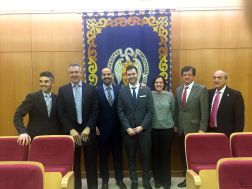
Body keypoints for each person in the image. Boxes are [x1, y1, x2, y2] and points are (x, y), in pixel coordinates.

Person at [57, 64, 99, 189]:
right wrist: (71, 130)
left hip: (88, 132)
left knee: (91, 163)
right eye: (71, 72)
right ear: (68, 74)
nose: (74, 74)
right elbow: (61, 112)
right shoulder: (62, 90)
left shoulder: (91, 89)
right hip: (72, 134)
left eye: (76, 72)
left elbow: (95, 110)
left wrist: (88, 127)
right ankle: (76, 186)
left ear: (81, 73)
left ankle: (92, 186)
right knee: (74, 165)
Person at [117, 65, 154, 189]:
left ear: (138, 74)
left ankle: (146, 181)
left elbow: (150, 111)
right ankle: (134, 181)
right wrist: (127, 127)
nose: (131, 76)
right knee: (131, 158)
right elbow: (120, 111)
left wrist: (142, 127)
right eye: (129, 74)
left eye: (133, 74)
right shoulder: (122, 91)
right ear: (126, 76)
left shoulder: (146, 90)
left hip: (144, 132)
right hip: (128, 132)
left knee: (145, 157)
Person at [174, 66, 208, 188]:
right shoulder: (178, 90)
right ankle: (186, 178)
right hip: (181, 130)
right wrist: (176, 125)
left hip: (195, 130)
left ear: (194, 76)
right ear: (182, 76)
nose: (187, 77)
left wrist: (202, 129)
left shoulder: (201, 89)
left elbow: (204, 111)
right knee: (184, 156)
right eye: (184, 75)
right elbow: (177, 109)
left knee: (194, 156)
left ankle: (197, 178)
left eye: (189, 74)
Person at [96, 67, 127, 189]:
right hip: (102, 130)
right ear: (101, 76)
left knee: (118, 156)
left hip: (117, 130)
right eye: (104, 74)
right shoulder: (96, 91)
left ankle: (119, 180)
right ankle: (105, 181)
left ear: (112, 75)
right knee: (103, 157)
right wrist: (95, 126)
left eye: (108, 74)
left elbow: (124, 109)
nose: (106, 76)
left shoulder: (120, 89)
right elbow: (94, 110)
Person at [13, 71, 61, 146]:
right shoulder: (32, 97)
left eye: (46, 81)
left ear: (52, 83)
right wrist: (22, 132)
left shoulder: (57, 98)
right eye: (41, 81)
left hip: (54, 139)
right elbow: (17, 115)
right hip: (36, 139)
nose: (43, 84)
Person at [151, 76, 175, 189]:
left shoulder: (170, 95)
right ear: (154, 84)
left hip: (167, 130)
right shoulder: (150, 94)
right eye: (156, 82)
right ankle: (157, 180)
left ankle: (166, 182)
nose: (158, 84)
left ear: (164, 84)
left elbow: (173, 111)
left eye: (161, 82)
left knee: (165, 156)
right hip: (153, 129)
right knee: (155, 156)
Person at [207, 70, 244, 136]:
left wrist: (237, 136)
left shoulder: (235, 95)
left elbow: (239, 119)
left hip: (227, 134)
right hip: (209, 132)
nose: (216, 80)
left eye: (219, 77)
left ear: (225, 80)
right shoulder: (208, 93)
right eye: (214, 78)